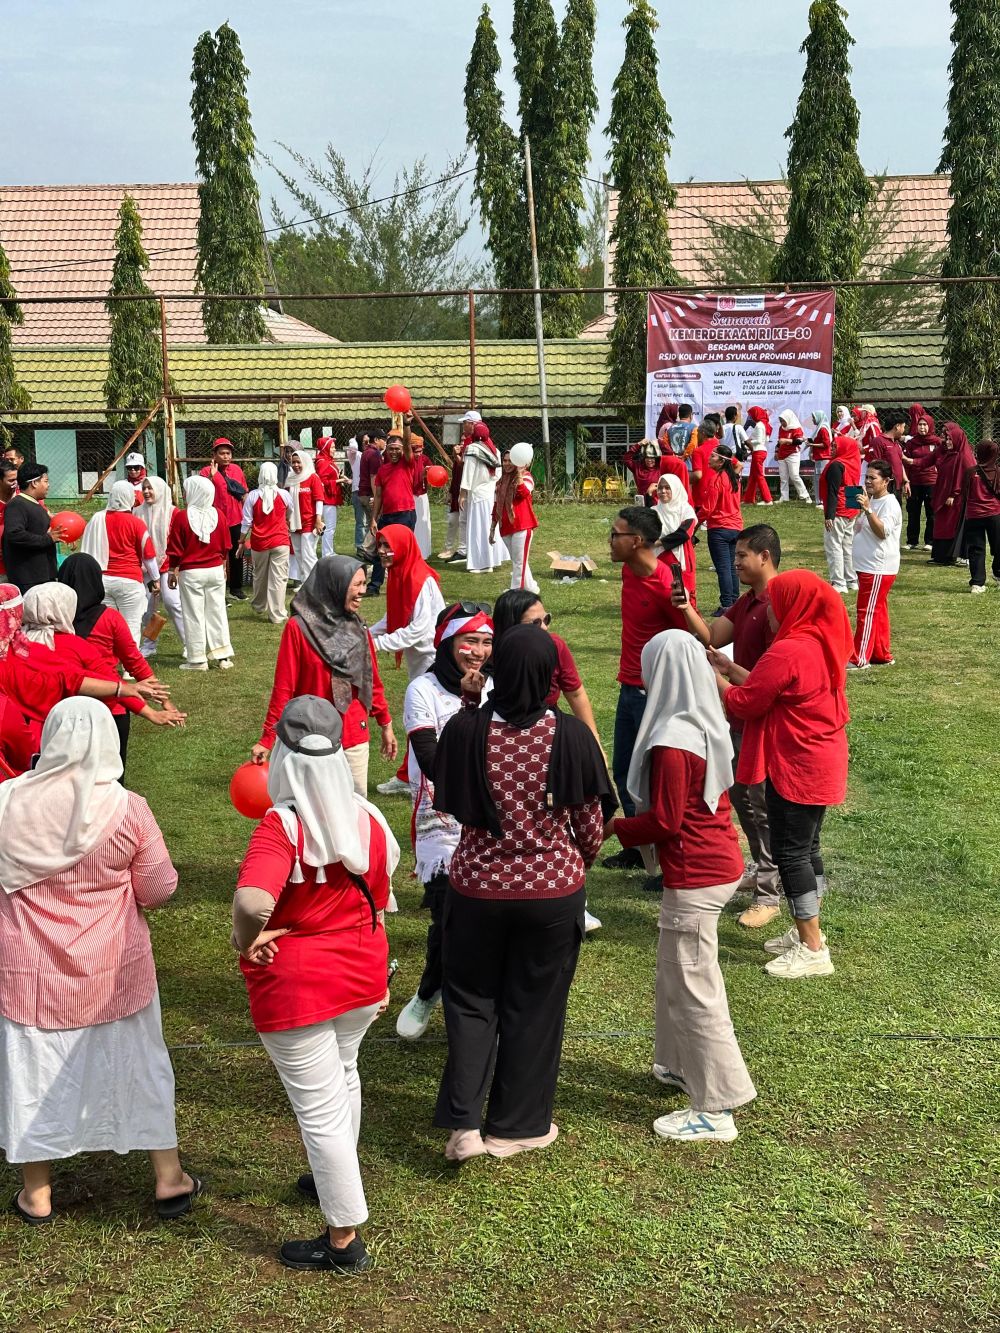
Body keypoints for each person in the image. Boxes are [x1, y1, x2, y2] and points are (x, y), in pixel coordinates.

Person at [0, 698, 198, 1224]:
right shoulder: (128, 808)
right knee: (140, 1067)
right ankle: (168, 1177)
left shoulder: (6, 802)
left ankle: (37, 1191)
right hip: (114, 971)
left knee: (33, 1074)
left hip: (28, 973)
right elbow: (158, 889)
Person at [430, 626, 612, 1162]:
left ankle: (463, 1125)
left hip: (477, 887)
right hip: (551, 894)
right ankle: (517, 1126)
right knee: (535, 1006)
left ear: (497, 671)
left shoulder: (468, 730)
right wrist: (574, 860)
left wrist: (469, 699)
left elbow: (447, 793)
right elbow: (591, 824)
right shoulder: (572, 736)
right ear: (550, 678)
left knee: (469, 1000)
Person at [232, 696, 398, 1273]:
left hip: (298, 983)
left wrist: (244, 937)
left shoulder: (282, 824)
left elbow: (253, 899)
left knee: (319, 1109)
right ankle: (335, 1180)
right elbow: (387, 877)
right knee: (344, 1073)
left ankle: (343, 1238)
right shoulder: (370, 816)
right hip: (362, 968)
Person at [605, 631, 756, 1143]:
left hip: (697, 872)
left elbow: (666, 822)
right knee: (676, 973)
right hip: (714, 862)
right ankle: (675, 1063)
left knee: (695, 987)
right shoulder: (701, 716)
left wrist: (614, 829)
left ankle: (717, 1105)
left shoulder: (673, 737)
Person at [714, 570, 853, 979]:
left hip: (794, 766)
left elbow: (747, 703)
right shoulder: (818, 642)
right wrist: (730, 667)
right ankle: (807, 931)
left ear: (792, 605)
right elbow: (769, 689)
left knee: (791, 854)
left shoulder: (787, 650)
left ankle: (812, 948)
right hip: (821, 760)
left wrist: (715, 678)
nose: (769, 611)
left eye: (774, 604)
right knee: (807, 849)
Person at [673, 524, 783, 930]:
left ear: (764, 557)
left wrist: (730, 678)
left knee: (762, 803)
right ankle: (762, 866)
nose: (734, 563)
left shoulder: (778, 603)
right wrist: (686, 608)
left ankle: (770, 893)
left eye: (741, 556)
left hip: (763, 718)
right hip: (736, 712)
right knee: (740, 795)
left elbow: (774, 673)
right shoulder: (748, 601)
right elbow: (713, 638)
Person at [396, 603, 495, 1040]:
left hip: (490, 819)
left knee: (483, 919)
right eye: (468, 641)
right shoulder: (423, 690)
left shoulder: (499, 688)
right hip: (440, 821)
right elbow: (434, 763)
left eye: (486, 642)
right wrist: (470, 709)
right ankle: (428, 992)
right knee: (448, 916)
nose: (477, 652)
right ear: (447, 642)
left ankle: (459, 1000)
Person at [253, 556, 397, 797]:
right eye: (357, 584)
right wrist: (268, 739)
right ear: (335, 584)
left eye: (364, 584)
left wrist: (386, 724)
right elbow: (284, 688)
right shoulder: (297, 629)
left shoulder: (358, 626)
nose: (363, 591)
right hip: (310, 739)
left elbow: (371, 679)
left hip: (353, 736)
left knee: (355, 812)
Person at [0, 584, 169, 775]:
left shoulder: (19, 649)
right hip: (37, 742)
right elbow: (76, 679)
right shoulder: (29, 653)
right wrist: (133, 696)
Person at [605, 507, 690, 873]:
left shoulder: (665, 584)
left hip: (654, 697)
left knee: (656, 780)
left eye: (615, 534)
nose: (609, 540)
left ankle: (668, 860)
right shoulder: (628, 570)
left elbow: (686, 639)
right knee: (624, 772)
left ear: (636, 541)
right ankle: (639, 848)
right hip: (628, 689)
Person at [53, 557, 185, 763]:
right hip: (111, 707)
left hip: (65, 711)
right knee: (112, 782)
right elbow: (135, 662)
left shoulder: (53, 623)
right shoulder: (109, 618)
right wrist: (165, 702)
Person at [369, 524, 445, 797]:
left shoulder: (421, 580)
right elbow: (395, 616)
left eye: (387, 546)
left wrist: (375, 645)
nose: (382, 552)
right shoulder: (398, 573)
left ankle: (421, 778)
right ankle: (410, 774)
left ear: (402, 546)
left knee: (424, 719)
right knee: (420, 717)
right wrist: (367, 634)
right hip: (419, 660)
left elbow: (420, 630)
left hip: (433, 659)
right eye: (380, 546)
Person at [165, 475, 234, 672]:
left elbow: (175, 548)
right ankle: (223, 657)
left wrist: (172, 570)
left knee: (194, 614)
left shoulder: (182, 516)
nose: (185, 494)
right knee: (217, 612)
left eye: (187, 491)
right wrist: (222, 566)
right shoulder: (218, 515)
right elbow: (225, 545)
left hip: (192, 573)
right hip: (214, 570)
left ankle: (197, 659)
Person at [80, 480, 160, 646]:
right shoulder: (136, 523)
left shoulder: (97, 518)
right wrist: (156, 578)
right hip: (129, 581)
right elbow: (148, 555)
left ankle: (107, 665)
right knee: (131, 625)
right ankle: (129, 671)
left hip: (102, 581)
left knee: (107, 626)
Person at [849, 460, 902, 669]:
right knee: (877, 610)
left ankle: (860, 657)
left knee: (866, 611)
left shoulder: (889, 504)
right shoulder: (871, 500)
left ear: (886, 481)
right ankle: (881, 653)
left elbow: (882, 532)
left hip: (878, 567)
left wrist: (868, 510)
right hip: (866, 566)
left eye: (873, 478)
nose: (868, 481)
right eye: (867, 477)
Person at [137, 476, 186, 658]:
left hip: (167, 566)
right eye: (144, 488)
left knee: (173, 603)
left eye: (150, 488)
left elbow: (179, 542)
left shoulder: (172, 512)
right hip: (147, 568)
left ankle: (189, 644)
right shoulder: (137, 512)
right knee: (148, 608)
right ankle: (149, 645)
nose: (147, 491)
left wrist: (176, 568)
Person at [238, 462, 292, 625]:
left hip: (259, 542)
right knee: (279, 578)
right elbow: (290, 512)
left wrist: (241, 541)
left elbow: (246, 522)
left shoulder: (252, 496)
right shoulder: (284, 494)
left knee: (260, 575)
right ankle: (277, 613)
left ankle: (259, 604)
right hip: (280, 540)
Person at [367, 430, 416, 596]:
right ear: (386, 450)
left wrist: (407, 424)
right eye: (391, 449)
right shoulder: (383, 470)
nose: (394, 452)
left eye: (397, 449)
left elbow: (409, 447)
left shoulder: (407, 463)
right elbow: (379, 496)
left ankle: (404, 584)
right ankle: (374, 587)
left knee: (403, 552)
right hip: (387, 516)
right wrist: (374, 519)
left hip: (405, 514)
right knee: (380, 551)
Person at [2, 464, 65, 592]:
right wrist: (48, 538)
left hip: (42, 576)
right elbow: (14, 534)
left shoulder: (35, 504)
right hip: (29, 579)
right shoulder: (17, 504)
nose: (48, 485)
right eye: (46, 481)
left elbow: (40, 532)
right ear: (34, 483)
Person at [200, 438, 249, 599]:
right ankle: (216, 588)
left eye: (228, 453)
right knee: (216, 554)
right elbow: (201, 493)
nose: (226, 456)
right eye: (222, 453)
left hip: (235, 518)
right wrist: (212, 477)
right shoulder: (205, 472)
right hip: (214, 519)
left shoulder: (236, 470)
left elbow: (244, 493)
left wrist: (248, 515)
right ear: (214, 455)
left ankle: (236, 588)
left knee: (237, 553)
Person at [697, 443, 744, 611]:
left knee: (723, 567)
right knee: (732, 566)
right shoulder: (734, 479)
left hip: (719, 528)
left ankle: (726, 605)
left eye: (713, 456)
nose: (709, 458)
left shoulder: (716, 480)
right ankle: (734, 602)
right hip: (735, 527)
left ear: (722, 461)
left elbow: (707, 509)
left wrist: (692, 526)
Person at [460, 421, 508, 575]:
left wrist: (462, 493)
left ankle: (481, 563)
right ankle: (492, 561)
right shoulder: (495, 451)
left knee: (477, 529)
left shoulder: (472, 449)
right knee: (490, 526)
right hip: (490, 494)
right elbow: (498, 474)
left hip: (477, 495)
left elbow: (468, 472)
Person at [491, 444, 539, 593]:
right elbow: (496, 504)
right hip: (505, 527)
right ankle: (530, 588)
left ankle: (515, 592)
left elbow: (524, 493)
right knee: (519, 561)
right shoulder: (500, 482)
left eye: (509, 460)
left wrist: (518, 476)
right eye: (504, 461)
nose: (506, 464)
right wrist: (492, 528)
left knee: (519, 562)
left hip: (522, 526)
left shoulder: (526, 477)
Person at [821, 431, 863, 594]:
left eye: (834, 446)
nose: (831, 448)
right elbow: (854, 483)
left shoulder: (836, 465)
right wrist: (855, 510)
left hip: (838, 509)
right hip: (851, 507)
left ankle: (838, 582)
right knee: (848, 545)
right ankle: (851, 579)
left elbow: (832, 491)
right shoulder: (854, 461)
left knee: (834, 546)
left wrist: (829, 515)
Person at [930, 423, 975, 565]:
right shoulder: (951, 455)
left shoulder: (963, 457)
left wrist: (953, 494)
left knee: (950, 527)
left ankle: (949, 556)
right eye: (947, 439)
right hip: (946, 497)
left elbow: (965, 478)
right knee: (943, 525)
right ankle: (941, 556)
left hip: (956, 500)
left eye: (950, 439)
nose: (948, 442)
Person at [653, 473, 698, 605]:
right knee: (661, 593)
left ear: (676, 489)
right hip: (659, 558)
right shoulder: (654, 511)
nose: (663, 491)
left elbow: (684, 533)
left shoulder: (686, 510)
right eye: (660, 488)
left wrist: (658, 542)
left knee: (685, 594)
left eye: (667, 488)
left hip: (681, 558)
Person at [962, 440, 1000, 594]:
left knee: (976, 548)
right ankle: (998, 573)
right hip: (995, 514)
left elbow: (964, 493)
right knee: (998, 546)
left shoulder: (970, 472)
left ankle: (977, 583)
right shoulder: (998, 472)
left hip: (973, 515)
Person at [286, 450, 325, 589]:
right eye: (293, 462)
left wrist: (318, 520)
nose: (296, 465)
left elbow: (319, 499)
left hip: (310, 522)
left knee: (308, 554)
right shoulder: (290, 479)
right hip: (294, 523)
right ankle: (304, 582)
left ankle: (315, 584)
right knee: (299, 554)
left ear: (305, 462)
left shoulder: (312, 477)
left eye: (298, 462)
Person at [902, 405, 938, 551]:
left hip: (932, 482)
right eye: (920, 424)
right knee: (913, 511)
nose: (922, 427)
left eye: (924, 425)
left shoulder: (937, 442)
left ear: (930, 426)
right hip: (915, 481)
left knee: (931, 513)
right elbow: (905, 462)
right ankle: (912, 541)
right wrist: (906, 481)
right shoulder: (911, 443)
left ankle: (930, 541)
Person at [356, 430, 386, 562]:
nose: (385, 442)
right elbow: (374, 477)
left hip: (363, 493)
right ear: (376, 440)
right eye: (383, 439)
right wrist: (377, 497)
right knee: (378, 521)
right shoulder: (374, 454)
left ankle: (371, 552)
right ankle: (367, 549)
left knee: (371, 522)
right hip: (370, 494)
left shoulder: (366, 452)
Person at [868, 411, 910, 503]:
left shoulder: (896, 443)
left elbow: (899, 463)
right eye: (903, 427)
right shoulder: (878, 441)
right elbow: (875, 465)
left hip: (897, 487)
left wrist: (906, 481)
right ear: (897, 426)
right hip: (885, 487)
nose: (904, 430)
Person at [314, 437, 342, 559]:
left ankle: (328, 551)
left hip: (330, 498)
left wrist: (340, 477)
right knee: (329, 527)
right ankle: (327, 553)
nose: (334, 449)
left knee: (330, 527)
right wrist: (339, 480)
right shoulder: (322, 462)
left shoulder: (327, 460)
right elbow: (322, 481)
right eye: (332, 447)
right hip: (327, 499)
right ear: (325, 448)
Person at [439, 437, 466, 562]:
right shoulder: (458, 456)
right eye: (460, 440)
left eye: (464, 441)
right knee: (452, 520)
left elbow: (464, 468)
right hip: (456, 493)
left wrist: (458, 457)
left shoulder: (469, 456)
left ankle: (463, 549)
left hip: (465, 494)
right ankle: (448, 548)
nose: (461, 443)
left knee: (463, 522)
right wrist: (450, 492)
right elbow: (455, 476)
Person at [775, 410, 811, 502]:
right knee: (783, 477)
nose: (782, 423)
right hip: (782, 454)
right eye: (780, 421)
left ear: (789, 419)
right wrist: (776, 451)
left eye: (783, 421)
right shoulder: (781, 428)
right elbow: (779, 441)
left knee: (794, 475)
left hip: (793, 454)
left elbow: (799, 441)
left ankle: (806, 496)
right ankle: (784, 497)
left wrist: (787, 441)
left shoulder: (796, 427)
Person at [742, 406, 774, 506]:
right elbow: (766, 440)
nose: (750, 417)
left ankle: (768, 500)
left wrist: (748, 442)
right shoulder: (763, 424)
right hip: (759, 451)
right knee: (753, 476)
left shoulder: (759, 425)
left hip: (758, 452)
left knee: (759, 476)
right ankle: (748, 499)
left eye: (751, 415)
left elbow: (760, 441)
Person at [410, 431, 433, 558]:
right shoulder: (407, 461)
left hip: (423, 496)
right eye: (415, 451)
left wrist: (428, 474)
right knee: (415, 523)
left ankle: (424, 552)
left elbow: (434, 475)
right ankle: (414, 552)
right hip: (411, 496)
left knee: (424, 523)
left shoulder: (425, 459)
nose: (418, 454)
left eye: (420, 450)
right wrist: (421, 475)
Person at [346, 433, 369, 556]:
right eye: (364, 441)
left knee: (370, 522)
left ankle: (369, 547)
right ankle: (360, 548)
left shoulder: (370, 454)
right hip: (358, 491)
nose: (367, 444)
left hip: (369, 491)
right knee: (361, 522)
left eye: (368, 441)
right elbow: (353, 448)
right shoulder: (355, 455)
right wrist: (354, 438)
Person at [688, 419, 720, 506]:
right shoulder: (721, 447)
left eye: (698, 432)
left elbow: (697, 475)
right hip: (719, 494)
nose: (697, 435)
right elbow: (738, 465)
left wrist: (682, 474)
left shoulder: (698, 451)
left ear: (703, 433)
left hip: (701, 496)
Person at [808, 410, 833, 506]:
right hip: (820, 457)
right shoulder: (821, 428)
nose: (813, 420)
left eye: (814, 418)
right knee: (818, 478)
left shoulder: (823, 429)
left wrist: (812, 444)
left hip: (823, 457)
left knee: (821, 478)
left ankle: (822, 500)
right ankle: (820, 500)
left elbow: (826, 444)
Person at [0, 461, 19, 579]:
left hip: (22, 565)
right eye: (11, 480)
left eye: (16, 479)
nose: (15, 483)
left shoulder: (24, 498)